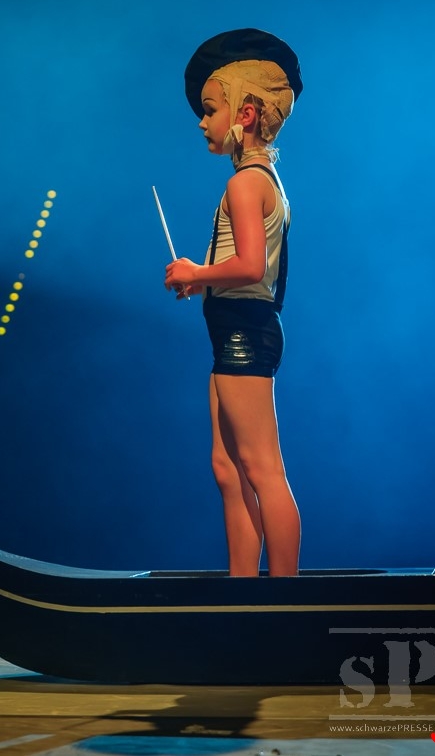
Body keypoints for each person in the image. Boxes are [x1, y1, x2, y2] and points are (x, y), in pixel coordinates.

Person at [164, 28, 303, 578]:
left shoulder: (246, 183)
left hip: (246, 329)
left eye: (210, 109)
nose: (202, 122)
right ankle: (241, 588)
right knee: (228, 468)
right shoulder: (259, 180)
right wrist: (203, 283)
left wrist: (196, 273)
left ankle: (285, 596)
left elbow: (249, 267)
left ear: (245, 113)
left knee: (261, 467)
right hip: (232, 327)